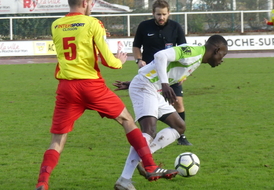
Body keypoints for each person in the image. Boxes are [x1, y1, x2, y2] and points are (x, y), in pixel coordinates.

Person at [34, 0, 179, 190]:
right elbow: (107, 60)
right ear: (85, 2)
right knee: (127, 120)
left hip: (66, 88)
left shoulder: (56, 25)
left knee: (57, 140)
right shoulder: (93, 23)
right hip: (90, 85)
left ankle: (42, 182)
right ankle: (150, 165)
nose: (92, 5)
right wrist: (119, 61)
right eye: (92, 2)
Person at [114, 35, 228, 190]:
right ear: (216, 50)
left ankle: (144, 155)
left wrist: (134, 82)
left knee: (179, 127)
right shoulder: (194, 51)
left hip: (151, 87)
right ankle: (124, 180)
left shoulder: (197, 59)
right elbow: (160, 56)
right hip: (146, 86)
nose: (222, 59)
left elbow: (159, 66)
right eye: (223, 54)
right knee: (148, 131)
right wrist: (164, 84)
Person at [113, 0, 191, 146]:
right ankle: (148, 136)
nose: (161, 17)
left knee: (178, 103)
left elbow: (184, 52)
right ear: (153, 13)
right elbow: (136, 47)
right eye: (158, 14)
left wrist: (183, 74)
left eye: (164, 14)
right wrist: (138, 60)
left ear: (169, 13)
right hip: (150, 75)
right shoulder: (144, 26)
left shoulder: (176, 27)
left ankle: (181, 136)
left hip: (170, 73)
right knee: (151, 107)